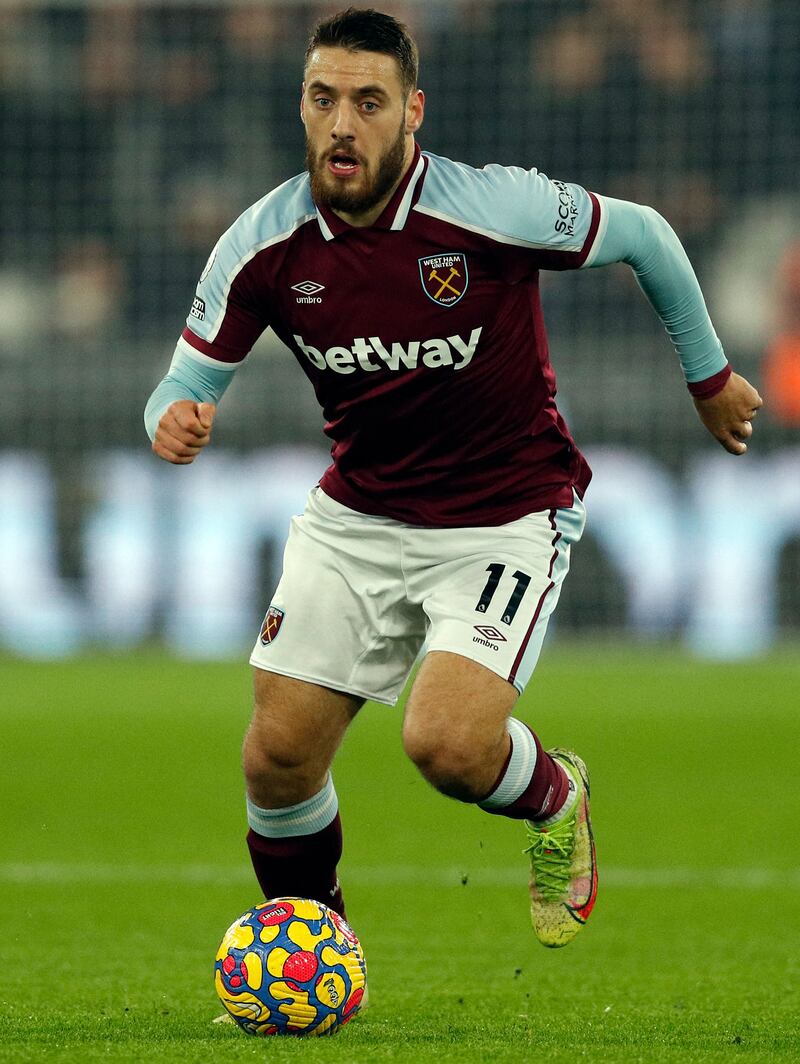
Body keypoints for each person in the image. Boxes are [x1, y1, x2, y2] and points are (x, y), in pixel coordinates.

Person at [144, 7, 762, 949]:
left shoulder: (490, 208)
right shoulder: (263, 244)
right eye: (323, 99)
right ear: (301, 107)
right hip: (359, 516)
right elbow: (183, 382)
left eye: (368, 101)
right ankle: (317, 953)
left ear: (412, 112)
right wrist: (173, 419)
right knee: (275, 758)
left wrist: (709, 377)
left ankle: (557, 797)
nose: (342, 123)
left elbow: (646, 236)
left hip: (504, 515)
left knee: (447, 746)